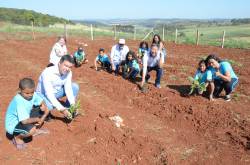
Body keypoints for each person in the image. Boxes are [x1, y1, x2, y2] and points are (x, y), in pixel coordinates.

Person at [5, 78, 49, 149]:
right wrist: (38, 119)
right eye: (27, 93)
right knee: (32, 130)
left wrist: (43, 107)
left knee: (41, 109)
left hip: (24, 117)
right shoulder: (19, 102)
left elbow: (41, 101)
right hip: (13, 125)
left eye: (32, 92)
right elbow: (24, 121)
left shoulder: (32, 94)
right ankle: (17, 137)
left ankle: (34, 129)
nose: (30, 95)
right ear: (20, 90)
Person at [36, 55, 79, 119]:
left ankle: (69, 109)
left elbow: (68, 89)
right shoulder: (48, 72)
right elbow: (49, 94)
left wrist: (73, 104)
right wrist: (62, 109)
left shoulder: (69, 73)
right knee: (49, 107)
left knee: (75, 87)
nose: (67, 69)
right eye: (66, 65)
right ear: (59, 63)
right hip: (43, 94)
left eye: (70, 67)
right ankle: (41, 111)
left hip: (56, 93)